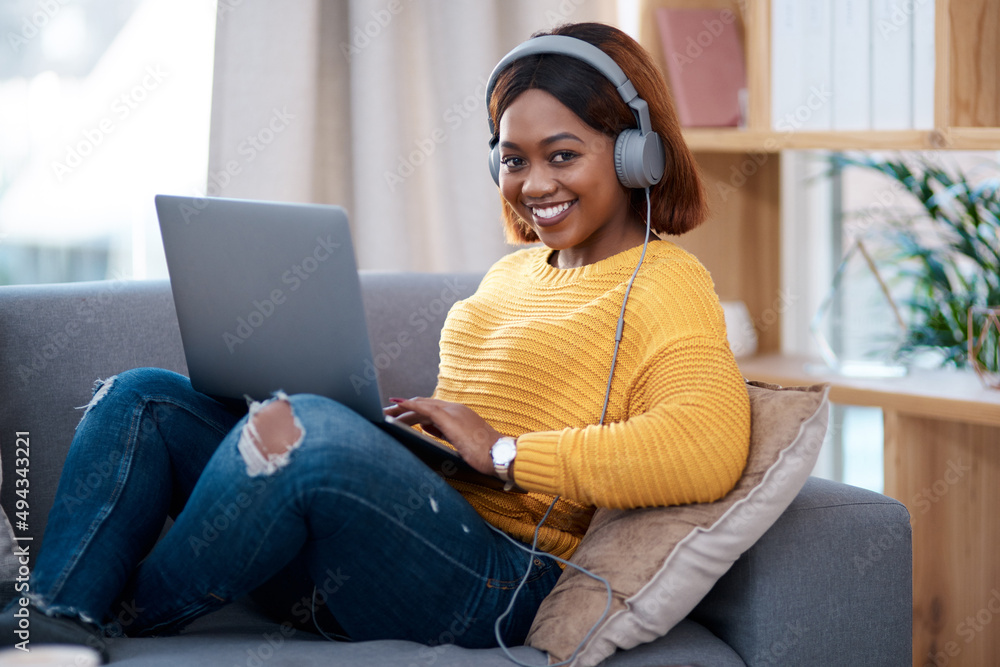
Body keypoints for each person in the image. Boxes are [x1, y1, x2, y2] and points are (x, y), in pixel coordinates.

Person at [1, 21, 750, 661]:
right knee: (145, 399)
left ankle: (120, 613)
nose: (532, 183)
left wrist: (503, 452)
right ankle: (51, 623)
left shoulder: (666, 281)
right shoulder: (511, 276)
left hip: (508, 575)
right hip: (403, 537)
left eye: (562, 154)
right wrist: (400, 440)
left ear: (634, 156)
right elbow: (460, 453)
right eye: (513, 159)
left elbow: (706, 444)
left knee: (301, 430)